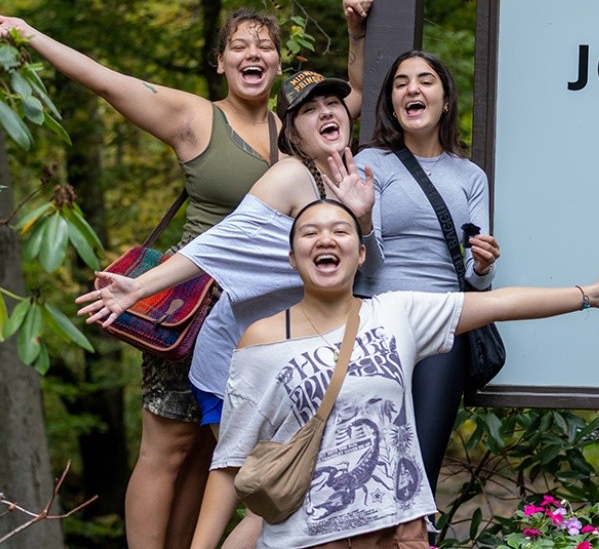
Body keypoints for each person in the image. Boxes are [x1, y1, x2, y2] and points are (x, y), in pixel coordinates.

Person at [1, 0, 369, 549]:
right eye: (240, 45)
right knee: (169, 446)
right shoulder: (195, 116)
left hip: (264, 313)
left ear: (276, 64)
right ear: (220, 62)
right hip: (194, 299)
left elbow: (353, 99)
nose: (254, 53)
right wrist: (28, 32)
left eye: (265, 46)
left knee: (212, 450)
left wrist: (356, 33)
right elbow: (105, 80)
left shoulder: (292, 128)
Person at [189, 198, 599, 549]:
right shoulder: (261, 339)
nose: (326, 239)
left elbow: (501, 304)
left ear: (361, 254)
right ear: (292, 257)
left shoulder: (397, 312)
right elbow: (230, 463)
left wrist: (587, 294)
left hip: (397, 534)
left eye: (340, 231)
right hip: (306, 539)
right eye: (310, 232)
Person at [78, 68, 377, 548]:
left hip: (287, 358)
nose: (327, 113)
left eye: (334, 104)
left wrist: (362, 218)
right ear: (292, 133)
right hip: (232, 360)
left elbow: (368, 270)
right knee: (274, 485)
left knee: (281, 485)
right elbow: (217, 245)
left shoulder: (349, 178)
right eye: (308, 110)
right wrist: (138, 288)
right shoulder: (288, 177)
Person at [354, 49, 501, 496]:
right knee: (370, 458)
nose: (412, 89)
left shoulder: (470, 176)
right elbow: (368, 262)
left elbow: (480, 282)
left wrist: (481, 264)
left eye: (425, 80)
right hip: (377, 317)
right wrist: (361, 222)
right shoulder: (372, 162)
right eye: (401, 83)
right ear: (393, 103)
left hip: (444, 320)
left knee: (421, 465)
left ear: (445, 100)